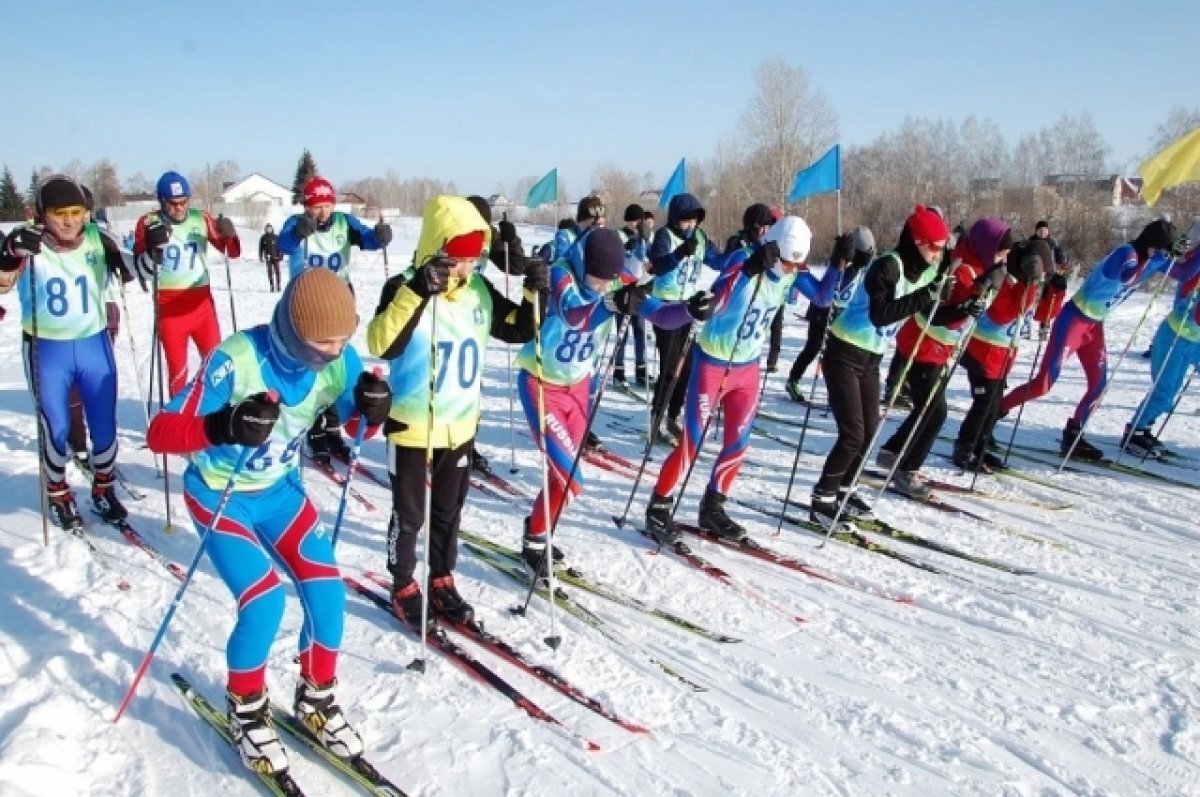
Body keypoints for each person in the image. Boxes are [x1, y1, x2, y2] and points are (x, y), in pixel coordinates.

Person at [146, 268, 390, 776]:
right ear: (296, 332)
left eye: (343, 340)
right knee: (264, 599)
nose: (336, 351)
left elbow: (352, 420)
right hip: (222, 495)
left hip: (279, 493)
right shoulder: (236, 360)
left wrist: (372, 406)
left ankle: (317, 698)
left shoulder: (337, 358)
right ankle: (247, 706)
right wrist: (224, 424)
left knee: (328, 589)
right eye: (324, 342)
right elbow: (161, 432)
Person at [367, 195, 546, 627]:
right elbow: (380, 343)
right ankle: (402, 581)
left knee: (449, 510)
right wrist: (417, 292)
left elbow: (520, 328)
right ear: (437, 248)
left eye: (473, 260)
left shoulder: (478, 289)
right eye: (459, 260)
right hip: (413, 423)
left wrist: (533, 291)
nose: (467, 269)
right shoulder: (403, 285)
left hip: (460, 424)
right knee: (410, 515)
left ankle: (442, 577)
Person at [515, 227, 697, 573]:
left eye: (606, 281)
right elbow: (574, 315)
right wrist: (610, 303)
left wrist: (691, 310)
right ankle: (535, 534)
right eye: (597, 279)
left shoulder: (615, 282)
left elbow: (658, 313)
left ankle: (535, 536)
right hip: (542, 387)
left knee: (562, 479)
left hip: (578, 391)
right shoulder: (561, 274)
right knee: (571, 481)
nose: (600, 286)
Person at [646, 216, 812, 546]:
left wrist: (843, 265)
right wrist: (748, 270)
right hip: (713, 364)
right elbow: (716, 304)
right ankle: (658, 506)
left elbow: (821, 297)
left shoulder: (789, 275)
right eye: (791, 263)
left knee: (737, 443)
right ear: (775, 251)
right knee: (692, 442)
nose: (794, 270)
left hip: (747, 370)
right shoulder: (742, 260)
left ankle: (713, 507)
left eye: (799, 264)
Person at [0, 175, 134, 530]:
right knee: (56, 428)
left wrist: (153, 249)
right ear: (44, 214)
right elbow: (2, 282)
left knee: (105, 427)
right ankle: (59, 493)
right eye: (61, 213)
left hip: (93, 345)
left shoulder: (97, 237)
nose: (70, 220)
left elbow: (138, 268)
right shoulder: (28, 243)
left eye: (77, 212)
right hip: (47, 350)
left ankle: (103, 490)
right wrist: (10, 254)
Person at [809, 206, 949, 528]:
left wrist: (962, 305)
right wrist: (927, 296)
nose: (937, 255)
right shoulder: (886, 267)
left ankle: (846, 488)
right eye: (934, 247)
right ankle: (823, 497)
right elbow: (881, 314)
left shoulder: (928, 271)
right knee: (852, 435)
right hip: (843, 353)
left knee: (870, 431)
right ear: (916, 241)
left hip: (871, 359)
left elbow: (929, 310)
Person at [998, 219, 1181, 460]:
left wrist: (1182, 253)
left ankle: (1074, 436)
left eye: (1161, 251)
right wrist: (1160, 258)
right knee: (1044, 383)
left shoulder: (1151, 256)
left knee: (1099, 385)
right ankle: (993, 412)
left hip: (1094, 326)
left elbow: (1184, 272)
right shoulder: (1126, 253)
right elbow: (1126, 276)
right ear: (1150, 243)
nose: (1159, 254)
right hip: (1073, 320)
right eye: (1158, 249)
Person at [874, 218, 1013, 496]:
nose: (1002, 260)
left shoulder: (981, 268)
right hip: (923, 343)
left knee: (925, 408)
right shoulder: (961, 268)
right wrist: (974, 297)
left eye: (1006, 255)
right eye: (1000, 253)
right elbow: (937, 315)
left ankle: (892, 451)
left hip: (940, 349)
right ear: (986, 247)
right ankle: (907, 470)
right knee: (935, 413)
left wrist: (985, 292)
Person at [277, 176, 392, 465]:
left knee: (336, 366)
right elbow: (283, 245)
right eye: (317, 207)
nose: (323, 212)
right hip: (306, 307)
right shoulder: (297, 223)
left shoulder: (343, 222)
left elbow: (366, 239)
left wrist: (379, 236)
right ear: (307, 206)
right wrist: (297, 234)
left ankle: (332, 423)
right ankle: (314, 425)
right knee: (312, 367)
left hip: (339, 305)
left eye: (328, 205)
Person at [133, 171, 242, 397]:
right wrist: (151, 249)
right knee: (177, 371)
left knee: (216, 364)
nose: (180, 208)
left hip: (202, 306)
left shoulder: (201, 218)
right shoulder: (147, 222)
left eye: (184, 202)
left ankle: (216, 412)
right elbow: (138, 265)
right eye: (173, 204)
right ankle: (178, 419)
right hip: (170, 308)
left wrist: (229, 234)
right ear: (161, 201)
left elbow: (231, 251)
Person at [953, 239, 1049, 471]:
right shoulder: (1004, 284)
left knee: (993, 405)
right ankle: (964, 448)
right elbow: (1005, 315)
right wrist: (1030, 284)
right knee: (984, 404)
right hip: (982, 354)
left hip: (1001, 358)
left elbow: (1039, 314)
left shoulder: (1023, 287)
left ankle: (980, 447)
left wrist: (1053, 287)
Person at [647, 192, 726, 444]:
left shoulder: (700, 238)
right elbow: (658, 265)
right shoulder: (664, 235)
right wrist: (679, 253)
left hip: (689, 308)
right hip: (665, 308)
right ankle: (656, 420)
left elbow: (717, 261)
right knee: (670, 369)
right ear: (675, 219)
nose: (690, 226)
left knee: (688, 367)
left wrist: (739, 251)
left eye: (694, 220)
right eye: (685, 221)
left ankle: (673, 415)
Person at [1122, 221, 1200, 458]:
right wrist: (1167, 255)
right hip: (1176, 336)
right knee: (1166, 391)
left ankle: (1143, 428)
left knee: (1169, 391)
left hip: (1192, 340)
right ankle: (1135, 431)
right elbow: (1184, 272)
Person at [784, 227, 874, 402]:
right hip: (823, 312)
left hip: (839, 314)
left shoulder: (859, 267)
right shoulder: (845, 264)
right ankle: (793, 379)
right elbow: (834, 287)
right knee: (813, 348)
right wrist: (849, 265)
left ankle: (836, 389)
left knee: (834, 355)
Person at [613, 203, 650, 387]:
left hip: (639, 288)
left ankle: (641, 370)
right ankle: (618, 372)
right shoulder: (619, 235)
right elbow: (615, 256)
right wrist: (627, 246)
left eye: (638, 221)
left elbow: (648, 259)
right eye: (633, 221)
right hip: (622, 288)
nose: (635, 224)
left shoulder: (643, 237)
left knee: (640, 331)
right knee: (622, 332)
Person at [1027, 220, 1069, 339]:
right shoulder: (1031, 242)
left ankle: (1044, 327)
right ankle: (1026, 326)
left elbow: (1060, 256)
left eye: (1045, 230)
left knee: (1048, 302)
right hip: (1034, 275)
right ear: (1036, 231)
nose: (1042, 232)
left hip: (1049, 276)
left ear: (1048, 231)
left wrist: (1063, 263)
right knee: (1031, 301)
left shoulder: (1053, 243)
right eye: (1040, 230)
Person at [551, 196, 606, 262]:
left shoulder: (606, 239)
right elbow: (561, 262)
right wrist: (582, 239)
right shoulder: (566, 235)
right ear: (582, 220)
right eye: (595, 224)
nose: (599, 228)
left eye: (601, 224)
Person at [258, 223, 282, 292]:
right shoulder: (263, 238)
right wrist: (260, 256)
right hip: (268, 257)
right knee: (270, 272)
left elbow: (280, 247)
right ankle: (272, 285)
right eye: (267, 229)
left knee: (277, 271)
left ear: (272, 229)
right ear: (265, 229)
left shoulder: (276, 237)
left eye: (270, 228)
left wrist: (280, 256)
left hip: (276, 257)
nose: (269, 230)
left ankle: (278, 285)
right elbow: (261, 248)